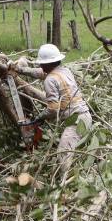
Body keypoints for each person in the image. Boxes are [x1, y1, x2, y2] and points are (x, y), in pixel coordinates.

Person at [29, 43, 92, 174]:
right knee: (73, 153)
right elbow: (40, 73)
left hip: (77, 122)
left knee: (63, 154)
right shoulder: (65, 71)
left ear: (46, 64)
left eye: (41, 63)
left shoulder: (50, 80)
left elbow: (53, 109)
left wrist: (40, 117)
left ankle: (66, 182)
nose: (40, 66)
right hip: (85, 117)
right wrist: (20, 69)